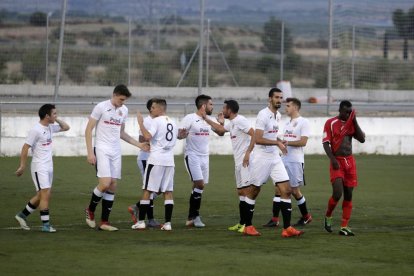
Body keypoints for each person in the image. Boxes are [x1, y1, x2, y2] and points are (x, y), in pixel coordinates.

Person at [84, 84, 149, 231]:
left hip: (115, 151)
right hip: (101, 149)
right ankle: (90, 209)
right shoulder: (101, 107)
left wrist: (139, 145)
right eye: (121, 99)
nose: (122, 103)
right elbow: (88, 130)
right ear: (114, 95)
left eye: (124, 100)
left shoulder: (123, 110)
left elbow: (121, 133)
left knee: (113, 185)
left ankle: (105, 222)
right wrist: (90, 152)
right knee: (105, 182)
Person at [243, 87, 304, 237]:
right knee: (254, 191)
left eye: (281, 98)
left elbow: (271, 136)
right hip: (261, 158)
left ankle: (287, 228)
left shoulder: (277, 115)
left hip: (274, 158)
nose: (279, 100)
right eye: (276, 97)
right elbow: (257, 139)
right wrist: (276, 144)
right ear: (270, 98)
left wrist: (279, 140)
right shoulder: (263, 115)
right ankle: (247, 226)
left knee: (287, 190)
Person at [14, 104, 70, 232]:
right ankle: (46, 225)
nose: (56, 115)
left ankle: (22, 215)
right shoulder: (36, 130)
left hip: (49, 166)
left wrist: (55, 118)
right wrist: (22, 165)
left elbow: (66, 127)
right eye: (54, 113)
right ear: (46, 116)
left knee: (41, 195)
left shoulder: (50, 127)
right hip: (39, 167)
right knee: (45, 194)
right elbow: (25, 147)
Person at [202, 100, 255, 234]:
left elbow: (255, 134)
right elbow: (220, 130)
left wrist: (248, 153)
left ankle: (248, 224)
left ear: (229, 110)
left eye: (224, 108)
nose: (222, 110)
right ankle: (242, 223)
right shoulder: (232, 123)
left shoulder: (241, 120)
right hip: (238, 162)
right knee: (241, 193)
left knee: (247, 192)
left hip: (245, 162)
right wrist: (211, 120)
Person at [132, 99, 185, 231]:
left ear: (161, 109)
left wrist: (140, 123)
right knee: (168, 191)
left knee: (147, 190)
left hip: (156, 160)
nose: (151, 109)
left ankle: (141, 221)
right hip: (169, 161)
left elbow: (147, 137)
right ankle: (167, 224)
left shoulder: (156, 121)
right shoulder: (173, 122)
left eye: (154, 107)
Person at [263, 97, 312, 228]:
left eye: (288, 106)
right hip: (283, 159)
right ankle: (275, 219)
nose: (286, 108)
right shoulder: (287, 123)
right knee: (278, 188)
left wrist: (288, 142)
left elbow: (303, 142)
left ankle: (306, 216)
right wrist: (276, 140)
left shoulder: (303, 122)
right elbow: (284, 140)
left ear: (295, 107)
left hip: (295, 161)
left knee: (295, 191)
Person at [323, 100, 365, 236]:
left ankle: (344, 226)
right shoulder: (331, 123)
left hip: (349, 162)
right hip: (337, 162)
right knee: (337, 193)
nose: (348, 114)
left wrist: (355, 120)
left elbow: (362, 139)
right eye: (346, 111)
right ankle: (328, 215)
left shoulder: (351, 123)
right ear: (340, 110)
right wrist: (333, 159)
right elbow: (325, 143)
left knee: (349, 194)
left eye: (350, 112)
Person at [180, 94, 221, 227]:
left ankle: (190, 218)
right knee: (200, 184)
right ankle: (195, 216)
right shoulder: (189, 118)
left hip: (205, 157)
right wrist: (181, 135)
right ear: (203, 106)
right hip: (192, 156)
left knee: (198, 188)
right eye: (211, 104)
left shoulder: (209, 119)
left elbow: (220, 132)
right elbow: (179, 135)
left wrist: (221, 122)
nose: (212, 106)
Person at [128, 98, 160, 228]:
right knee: (151, 188)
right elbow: (142, 138)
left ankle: (137, 206)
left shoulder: (160, 121)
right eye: (155, 106)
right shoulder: (147, 121)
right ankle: (150, 219)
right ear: (151, 108)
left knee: (160, 188)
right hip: (145, 158)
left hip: (156, 158)